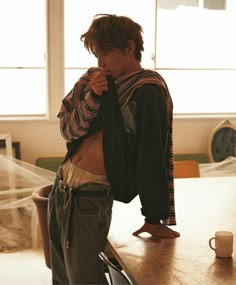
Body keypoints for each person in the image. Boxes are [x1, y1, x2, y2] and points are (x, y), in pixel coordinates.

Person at [48, 14, 180, 285]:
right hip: (61, 188)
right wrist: (93, 97)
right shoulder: (93, 81)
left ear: (129, 47)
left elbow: (152, 153)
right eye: (96, 55)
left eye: (105, 53)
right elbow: (67, 129)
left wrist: (154, 215)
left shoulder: (148, 89)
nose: (100, 62)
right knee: (61, 279)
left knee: (85, 280)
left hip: (90, 197)